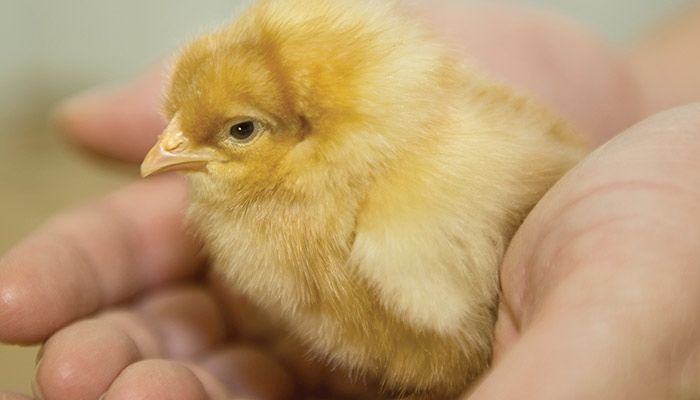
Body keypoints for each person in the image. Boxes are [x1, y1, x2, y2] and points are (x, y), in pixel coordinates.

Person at [1, 3, 699, 399]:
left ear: (315, 135)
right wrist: (641, 87)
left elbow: (454, 328)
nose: (169, 149)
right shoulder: (286, 186)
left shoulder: (409, 204)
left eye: (240, 129)